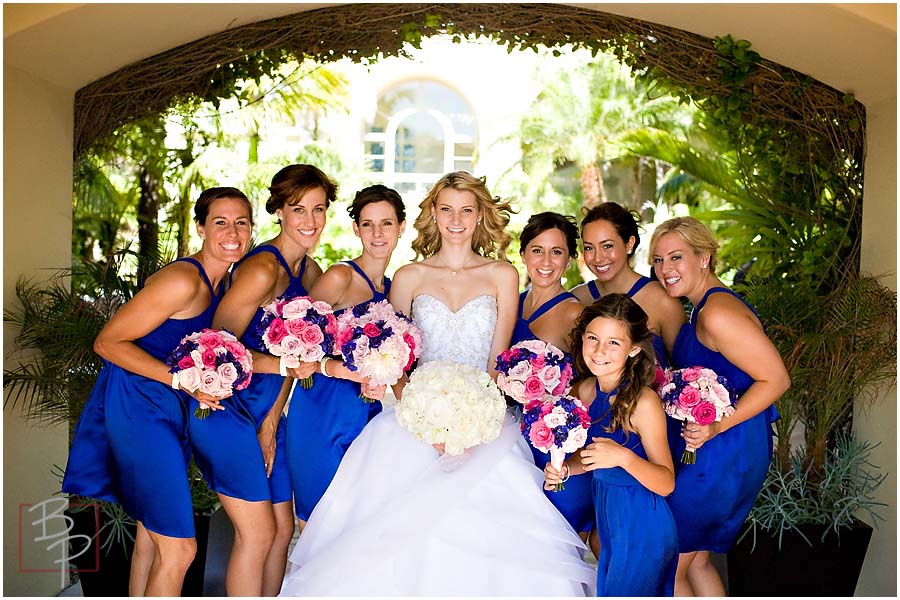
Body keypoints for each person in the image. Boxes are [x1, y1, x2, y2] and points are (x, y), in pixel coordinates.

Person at [280, 172, 596, 596]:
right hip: (413, 424)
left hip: (485, 426)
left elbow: (496, 364)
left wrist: (470, 426)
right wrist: (425, 419)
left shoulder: (503, 275)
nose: (456, 219)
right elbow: (395, 358)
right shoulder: (409, 276)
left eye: (467, 209)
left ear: (480, 214)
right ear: (433, 213)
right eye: (446, 208)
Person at [62, 187, 253, 596]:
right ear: (200, 227)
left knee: (152, 535)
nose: (232, 232)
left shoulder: (225, 283)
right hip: (139, 409)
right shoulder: (183, 280)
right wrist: (181, 380)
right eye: (220, 222)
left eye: (241, 222)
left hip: (170, 410)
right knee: (180, 549)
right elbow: (107, 342)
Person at [188, 165, 334, 596]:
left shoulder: (309, 272)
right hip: (228, 410)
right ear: (279, 212)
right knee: (258, 533)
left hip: (269, 411)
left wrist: (271, 421)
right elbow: (215, 350)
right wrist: (283, 369)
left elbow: (300, 354)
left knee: (281, 526)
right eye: (298, 209)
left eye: (319, 209)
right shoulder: (262, 270)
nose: (310, 221)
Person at [649, 217, 790, 596]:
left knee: (670, 564)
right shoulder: (703, 307)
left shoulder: (717, 313)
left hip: (724, 450)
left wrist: (716, 427)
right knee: (696, 560)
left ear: (705, 257)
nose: (666, 269)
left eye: (676, 257)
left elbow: (776, 379)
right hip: (722, 447)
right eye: (658, 260)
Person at [286, 184, 405, 525]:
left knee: (354, 527)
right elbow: (295, 348)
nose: (377, 233)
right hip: (321, 410)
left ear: (400, 227)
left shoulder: (393, 287)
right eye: (367, 224)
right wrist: (339, 370)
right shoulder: (339, 276)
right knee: (317, 523)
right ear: (356, 229)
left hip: (367, 416)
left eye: (386, 223)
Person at [545, 294, 678, 596]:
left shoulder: (643, 403)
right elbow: (594, 458)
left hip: (642, 524)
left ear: (633, 349)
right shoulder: (583, 390)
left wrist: (623, 457)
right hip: (607, 520)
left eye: (613, 343)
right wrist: (566, 470)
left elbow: (666, 482)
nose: (599, 350)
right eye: (592, 338)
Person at [511, 212, 594, 544]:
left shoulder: (574, 313)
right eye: (537, 250)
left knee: (564, 540)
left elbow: (591, 385)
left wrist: (549, 393)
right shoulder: (514, 304)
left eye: (556, 252)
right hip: (517, 439)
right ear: (523, 254)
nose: (546, 261)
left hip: (556, 441)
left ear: (570, 258)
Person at [570, 202, 685, 368]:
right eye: (589, 248)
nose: (597, 258)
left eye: (607, 246)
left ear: (629, 244)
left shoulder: (663, 301)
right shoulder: (576, 299)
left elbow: (684, 370)